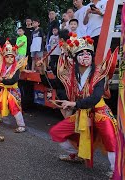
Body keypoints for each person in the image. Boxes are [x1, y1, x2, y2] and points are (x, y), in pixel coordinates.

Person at [48, 35, 117, 178]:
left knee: (111, 138)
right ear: (75, 58)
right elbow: (56, 85)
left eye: (88, 53)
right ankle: (76, 154)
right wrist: (44, 71)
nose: (86, 56)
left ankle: (115, 168)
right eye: (81, 53)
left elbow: (96, 97)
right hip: (82, 113)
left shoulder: (99, 73)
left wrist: (74, 104)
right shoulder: (73, 75)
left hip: (100, 112)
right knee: (57, 132)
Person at [0, 40, 27, 133]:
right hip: (4, 91)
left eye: (12, 57)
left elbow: (13, 80)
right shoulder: (2, 67)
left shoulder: (16, 68)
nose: (10, 58)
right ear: (4, 58)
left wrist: (3, 80)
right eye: (7, 56)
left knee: (14, 107)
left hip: (13, 91)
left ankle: (21, 125)